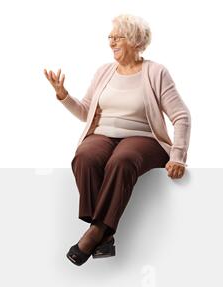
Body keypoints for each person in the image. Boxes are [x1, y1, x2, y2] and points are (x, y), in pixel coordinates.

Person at [44, 14, 191, 266]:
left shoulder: (156, 72)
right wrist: (64, 96)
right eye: (109, 37)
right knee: (85, 157)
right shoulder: (104, 72)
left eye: (116, 37)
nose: (111, 42)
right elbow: (85, 111)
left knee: (122, 160)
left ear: (134, 40)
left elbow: (181, 116)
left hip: (144, 137)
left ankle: (93, 233)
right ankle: (104, 235)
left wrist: (178, 157)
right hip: (104, 133)